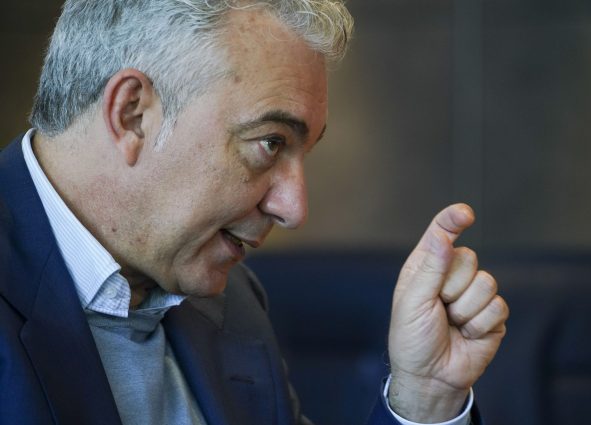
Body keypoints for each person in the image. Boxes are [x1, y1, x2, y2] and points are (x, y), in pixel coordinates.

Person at [0, 1, 509, 424]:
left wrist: (424, 398)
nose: (294, 209)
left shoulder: (232, 302)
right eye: (270, 143)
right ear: (132, 113)